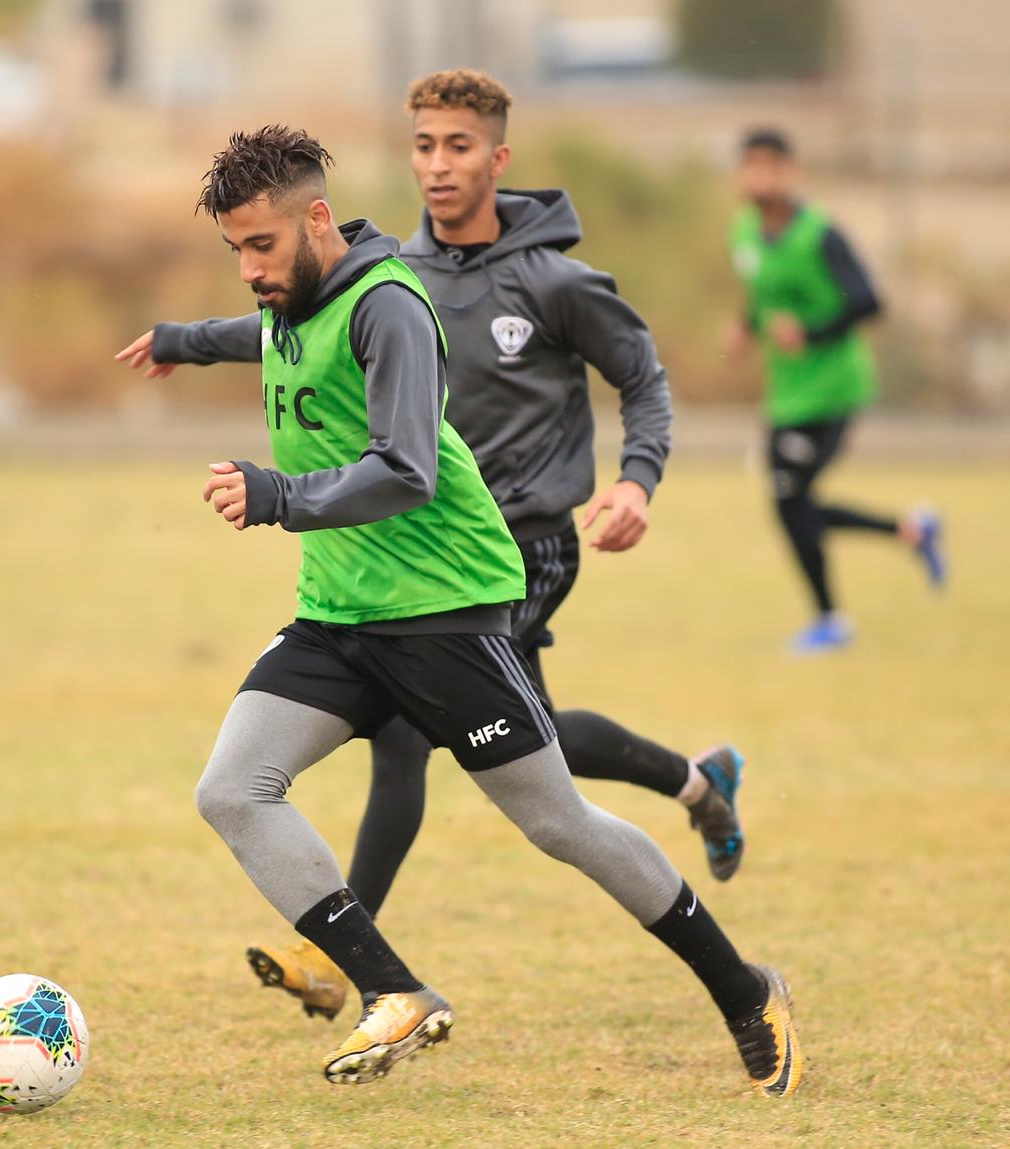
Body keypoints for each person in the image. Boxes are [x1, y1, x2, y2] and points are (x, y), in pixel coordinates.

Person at [116, 124, 802, 1096]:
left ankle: (744, 989)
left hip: (442, 612)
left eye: (259, 246)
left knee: (560, 823)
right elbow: (268, 335)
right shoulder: (295, 296)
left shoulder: (386, 306)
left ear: (316, 219)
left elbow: (405, 469)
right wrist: (187, 342)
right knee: (232, 788)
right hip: (340, 612)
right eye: (233, 251)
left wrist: (277, 497)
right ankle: (392, 994)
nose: (248, 270)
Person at [245, 69, 745, 1028]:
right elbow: (279, 325)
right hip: (417, 549)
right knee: (521, 745)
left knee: (416, 741)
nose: (437, 165)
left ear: (498, 158)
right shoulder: (396, 280)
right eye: (424, 146)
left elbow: (644, 380)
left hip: (524, 545)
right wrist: (188, 339)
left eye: (458, 146)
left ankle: (340, 960)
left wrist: (637, 479)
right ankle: (696, 777)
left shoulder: (554, 281)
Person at [728, 127, 946, 654]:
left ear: (789, 172)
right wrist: (747, 326)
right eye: (750, 165)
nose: (759, 176)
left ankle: (831, 620)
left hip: (834, 388)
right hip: (787, 391)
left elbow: (870, 302)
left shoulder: (820, 233)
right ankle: (911, 531)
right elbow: (764, 298)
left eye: (769, 165)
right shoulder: (745, 233)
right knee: (792, 502)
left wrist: (811, 332)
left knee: (789, 498)